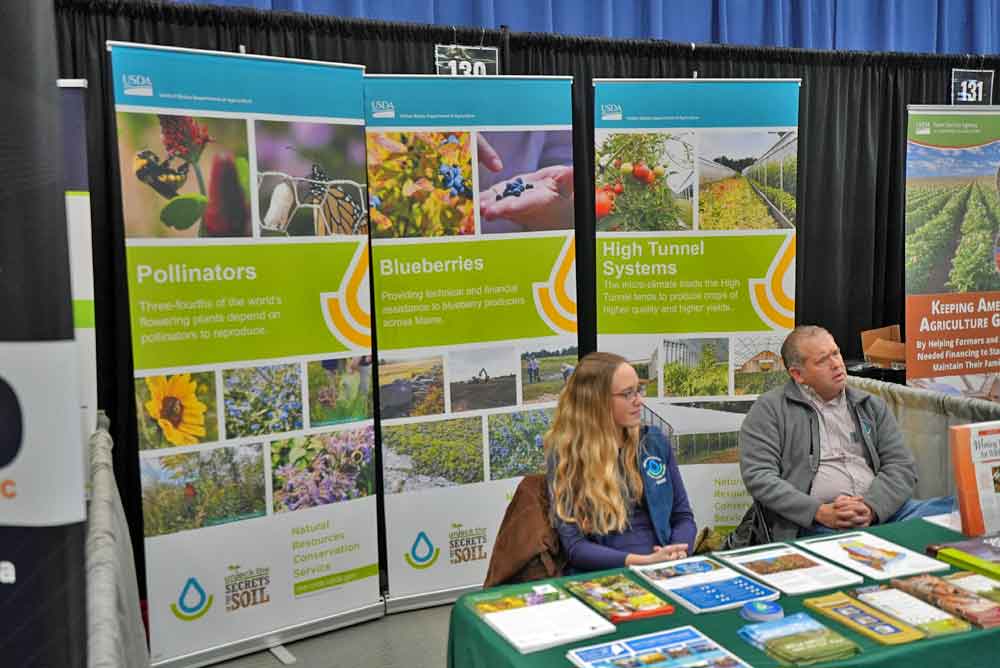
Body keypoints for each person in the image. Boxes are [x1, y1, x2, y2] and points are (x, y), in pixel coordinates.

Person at [739, 325, 954, 541]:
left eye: (836, 353)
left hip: (881, 513)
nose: (836, 364)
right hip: (816, 523)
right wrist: (819, 512)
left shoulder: (870, 405)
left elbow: (901, 466)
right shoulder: (770, 410)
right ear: (798, 374)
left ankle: (886, 538)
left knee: (955, 510)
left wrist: (871, 507)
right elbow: (759, 477)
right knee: (866, 544)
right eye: (823, 360)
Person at [546, 352, 696, 573]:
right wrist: (642, 562)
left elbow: (683, 517)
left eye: (638, 390)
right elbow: (575, 548)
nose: (639, 400)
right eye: (627, 394)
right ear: (596, 401)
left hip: (667, 568)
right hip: (606, 577)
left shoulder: (653, 442)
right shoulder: (567, 455)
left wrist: (677, 551)